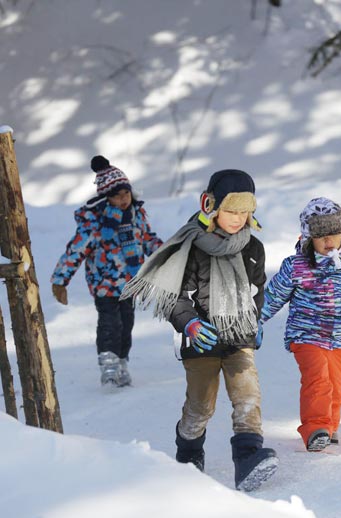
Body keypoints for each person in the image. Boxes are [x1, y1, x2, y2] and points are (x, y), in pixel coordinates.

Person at [122, 169, 279, 491]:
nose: (238, 219)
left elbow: (256, 289)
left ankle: (248, 458)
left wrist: (256, 319)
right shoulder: (191, 246)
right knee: (200, 406)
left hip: (239, 336)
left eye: (245, 212)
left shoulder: (253, 248)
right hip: (200, 339)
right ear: (211, 206)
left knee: (248, 397)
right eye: (231, 211)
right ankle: (189, 453)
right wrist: (190, 323)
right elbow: (173, 296)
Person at [261, 196, 341, 452]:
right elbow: (273, 297)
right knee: (318, 379)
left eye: (334, 234)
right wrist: (253, 322)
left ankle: (330, 427)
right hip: (305, 334)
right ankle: (316, 428)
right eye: (321, 236)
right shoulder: (296, 266)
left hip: (340, 336)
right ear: (307, 238)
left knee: (336, 383)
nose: (328, 241)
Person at [51, 155, 163, 387]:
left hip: (130, 283)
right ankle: (108, 362)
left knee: (127, 324)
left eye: (126, 194)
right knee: (110, 323)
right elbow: (76, 250)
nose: (123, 200)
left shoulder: (136, 217)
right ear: (106, 198)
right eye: (117, 196)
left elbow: (149, 240)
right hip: (104, 285)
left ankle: (121, 361)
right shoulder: (96, 224)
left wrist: (168, 255)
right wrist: (61, 280)